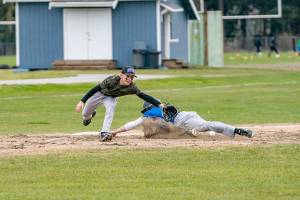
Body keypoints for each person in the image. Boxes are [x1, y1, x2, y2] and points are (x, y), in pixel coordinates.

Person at [75, 66, 164, 142]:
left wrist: (159, 105)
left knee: (110, 109)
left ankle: (104, 132)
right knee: (85, 114)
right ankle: (90, 116)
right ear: (121, 75)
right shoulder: (112, 80)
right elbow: (95, 89)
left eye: (132, 77)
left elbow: (144, 96)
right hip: (99, 94)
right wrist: (82, 101)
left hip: (111, 97)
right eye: (128, 76)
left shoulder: (131, 87)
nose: (130, 79)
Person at [111, 102, 255, 139]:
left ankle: (236, 130)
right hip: (188, 116)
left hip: (184, 121)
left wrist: (115, 132)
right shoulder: (158, 109)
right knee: (205, 127)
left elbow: (131, 125)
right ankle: (233, 130)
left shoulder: (148, 114)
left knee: (205, 126)